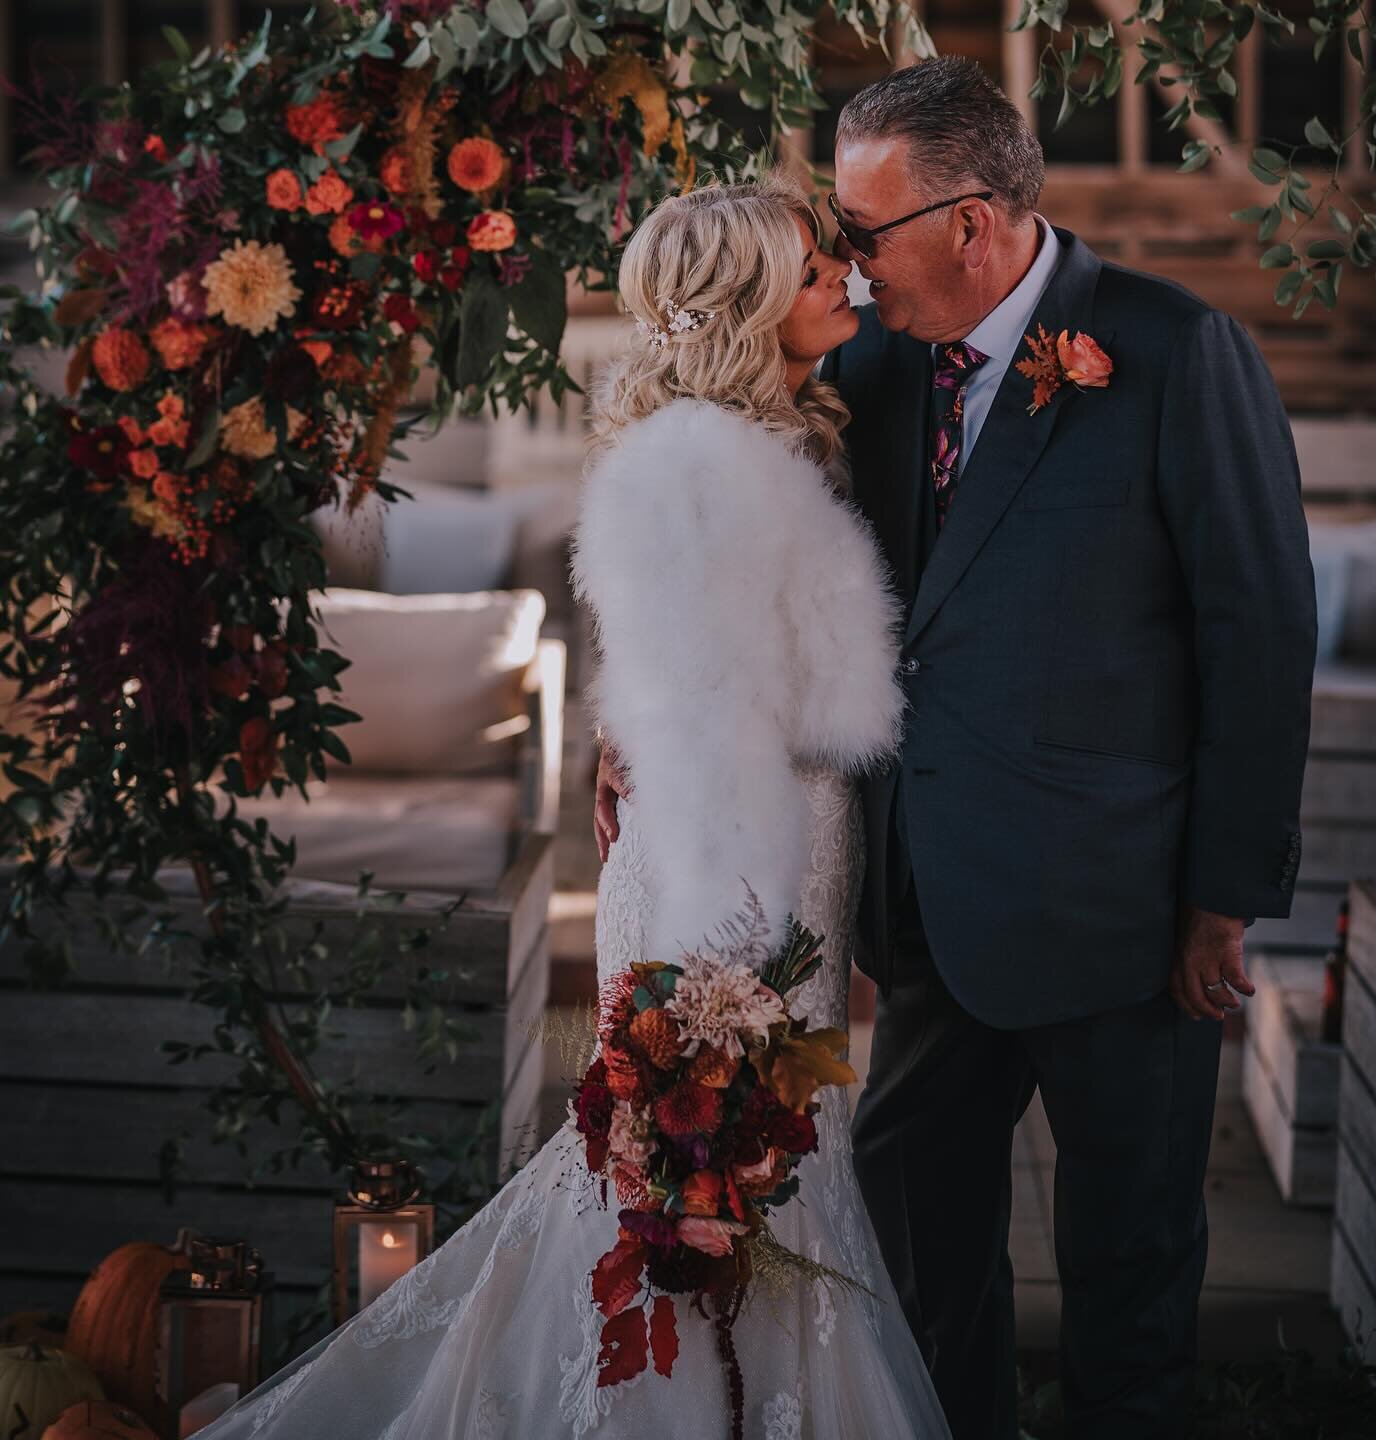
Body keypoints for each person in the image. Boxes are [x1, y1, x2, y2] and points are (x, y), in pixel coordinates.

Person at [601, 57, 1321, 1440]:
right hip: (926, 920)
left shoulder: (1173, 354)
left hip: (1127, 922)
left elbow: (1261, 634)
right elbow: (711, 556)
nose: (850, 267)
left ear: (973, 223)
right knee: (924, 1277)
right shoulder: (863, 370)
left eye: (865, 235)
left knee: (1129, 1281)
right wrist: (637, 727)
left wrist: (1224, 899)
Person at [195, 178, 952, 1440]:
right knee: (716, 1164)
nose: (845, 278)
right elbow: (706, 713)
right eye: (813, 263)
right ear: (748, 298)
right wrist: (724, 980)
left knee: (759, 1172)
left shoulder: (767, 437)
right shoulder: (705, 462)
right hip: (736, 876)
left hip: (779, 842)